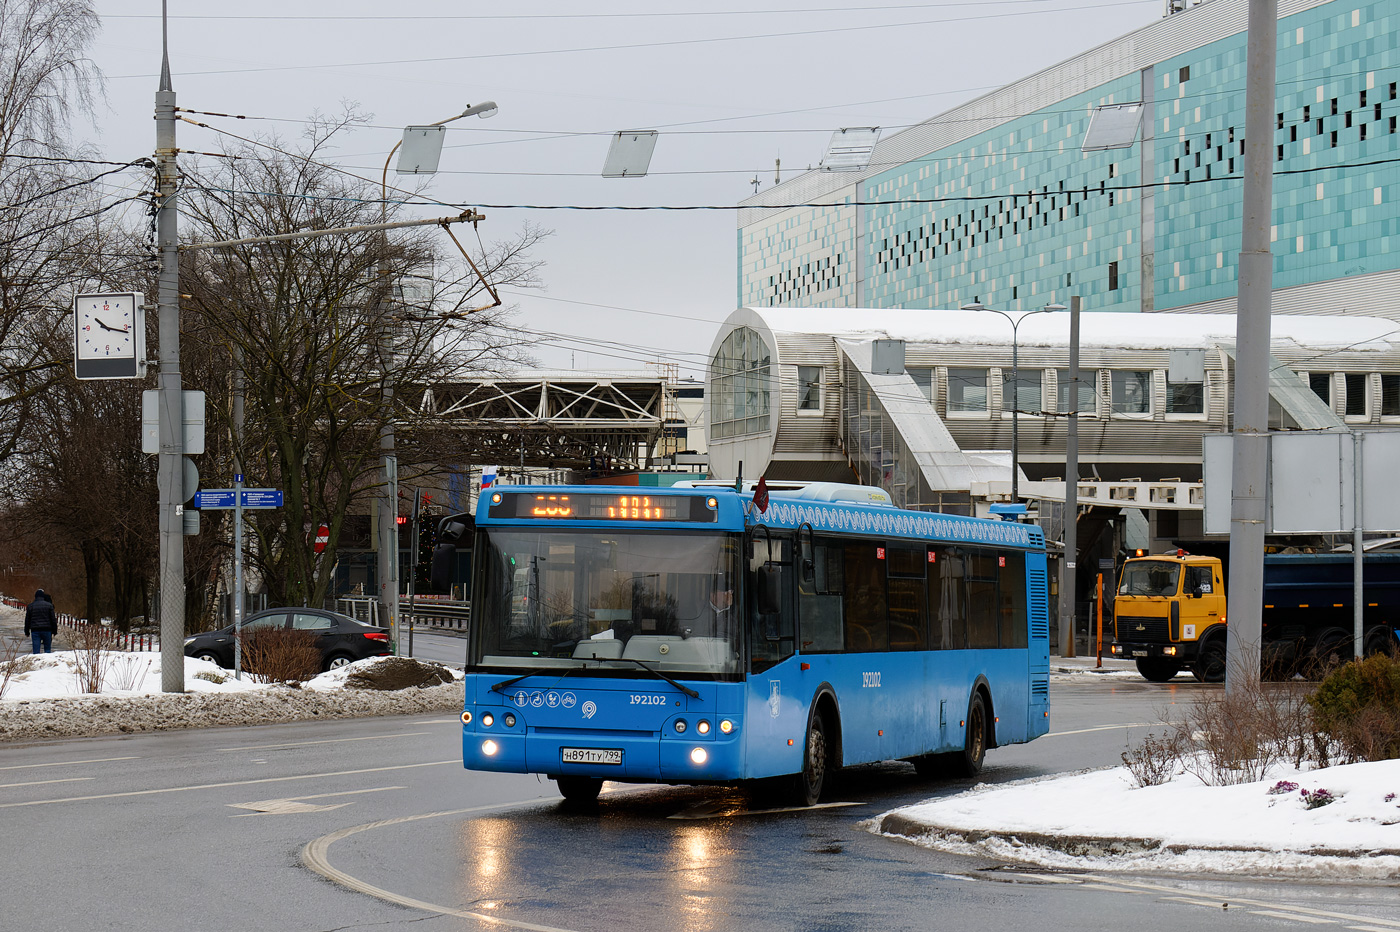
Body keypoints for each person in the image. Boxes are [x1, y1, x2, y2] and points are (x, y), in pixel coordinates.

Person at [24, 588, 58, 654]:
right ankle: (47, 662)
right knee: (47, 649)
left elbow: (27, 620)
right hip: (47, 630)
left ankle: (37, 662)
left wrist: (26, 631)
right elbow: (53, 619)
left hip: (35, 630)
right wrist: (54, 630)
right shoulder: (49, 606)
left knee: (36, 650)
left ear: (35, 596)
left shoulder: (30, 606)